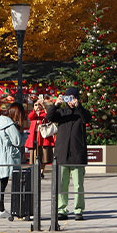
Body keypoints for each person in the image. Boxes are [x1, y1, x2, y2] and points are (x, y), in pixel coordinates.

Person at [47, 87, 91, 220]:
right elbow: (49, 117)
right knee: (61, 184)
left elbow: (87, 119)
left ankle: (78, 210)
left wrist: (79, 106)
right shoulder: (61, 112)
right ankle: (62, 209)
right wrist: (55, 105)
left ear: (77, 98)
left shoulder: (81, 112)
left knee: (78, 185)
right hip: (62, 152)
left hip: (77, 153)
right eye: (68, 98)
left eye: (72, 98)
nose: (70, 101)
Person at [0, 103, 24, 219]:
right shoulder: (9, 125)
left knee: (2, 182)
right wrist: (25, 136)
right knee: (16, 182)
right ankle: (17, 208)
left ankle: (0, 209)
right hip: (9, 155)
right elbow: (17, 141)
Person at [25, 96, 54, 176]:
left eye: (39, 105)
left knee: (44, 155)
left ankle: (41, 171)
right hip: (34, 137)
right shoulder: (33, 114)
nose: (38, 106)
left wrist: (44, 106)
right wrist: (35, 110)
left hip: (43, 137)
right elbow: (30, 117)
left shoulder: (44, 113)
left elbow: (49, 116)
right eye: (35, 105)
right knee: (34, 154)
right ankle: (34, 170)